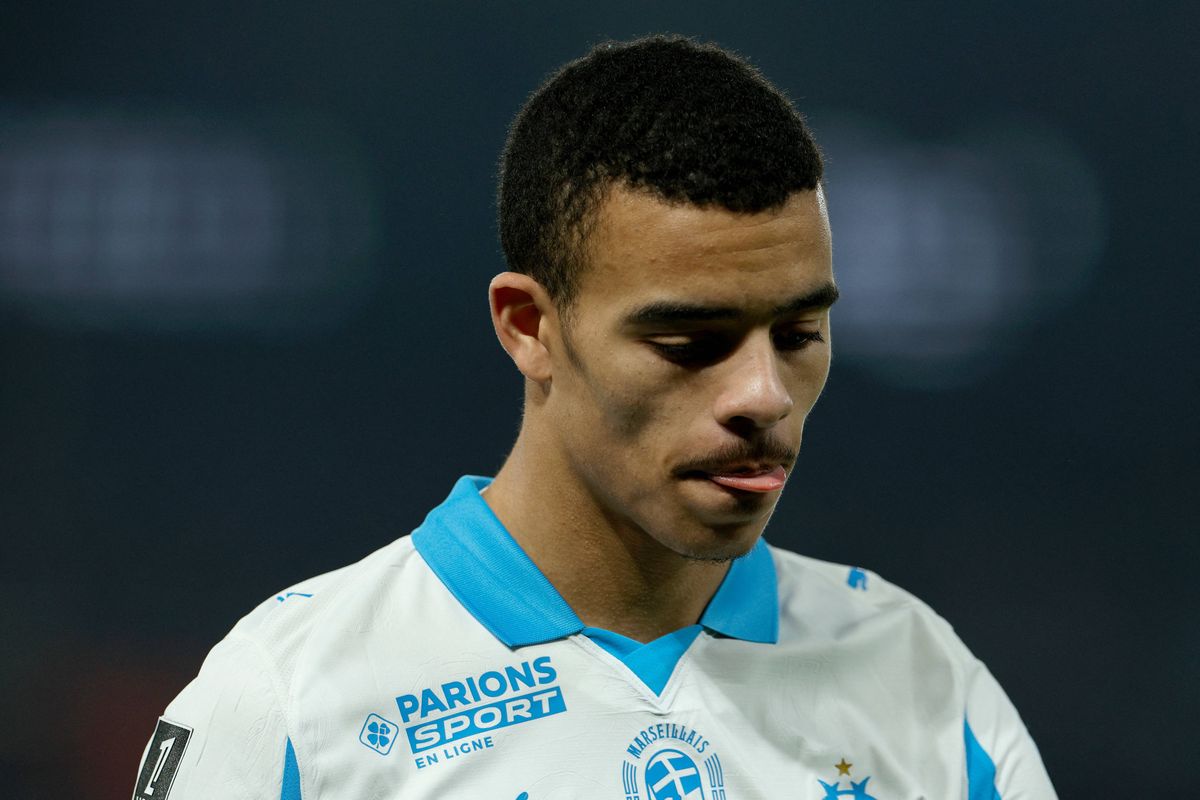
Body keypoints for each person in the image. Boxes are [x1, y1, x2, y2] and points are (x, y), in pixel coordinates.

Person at [132, 35, 1056, 799]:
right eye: (690, 342)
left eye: (800, 331)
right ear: (530, 327)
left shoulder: (921, 679)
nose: (764, 396)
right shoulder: (294, 704)